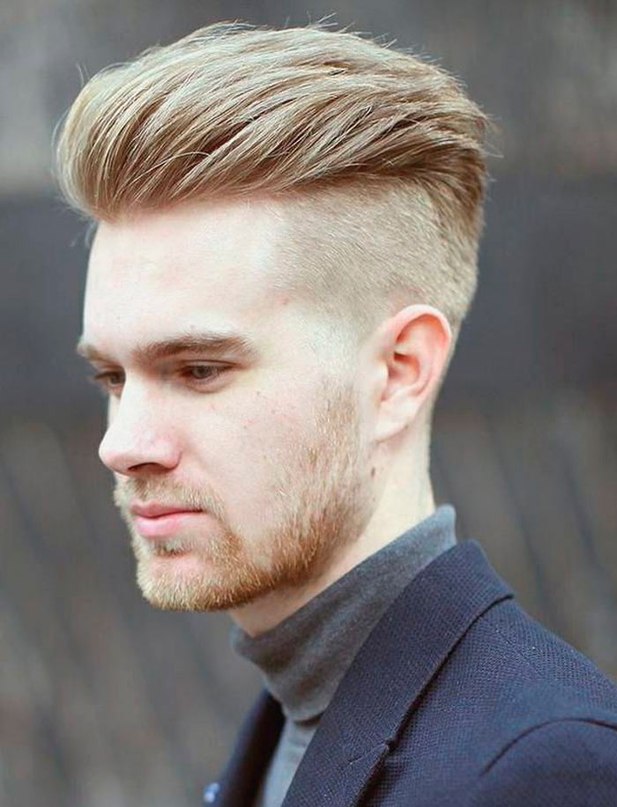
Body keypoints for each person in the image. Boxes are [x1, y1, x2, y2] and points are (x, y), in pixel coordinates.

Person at [55, 22, 617, 807]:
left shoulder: (543, 769)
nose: (123, 444)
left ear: (398, 371)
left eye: (199, 368)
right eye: (113, 376)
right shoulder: (291, 721)